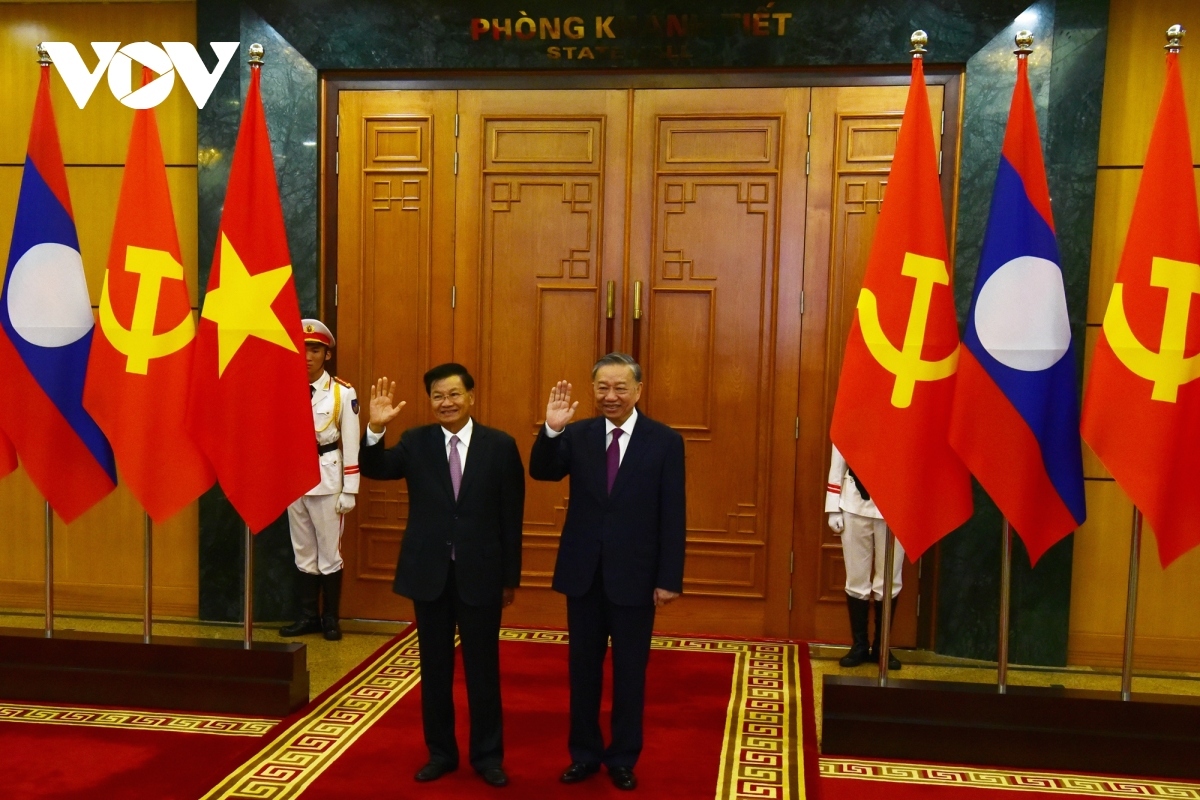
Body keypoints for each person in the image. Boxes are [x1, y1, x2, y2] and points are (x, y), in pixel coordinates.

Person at [359, 363, 525, 789]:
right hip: (429, 573)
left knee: (482, 669)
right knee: (433, 668)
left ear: (471, 396)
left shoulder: (500, 446)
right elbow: (376, 468)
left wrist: (510, 579)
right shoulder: (416, 442)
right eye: (437, 396)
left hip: (482, 574)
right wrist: (374, 429)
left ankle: (488, 756)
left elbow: (511, 517)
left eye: (454, 394)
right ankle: (441, 753)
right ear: (430, 401)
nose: (446, 403)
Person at [529, 352, 686, 792]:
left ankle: (621, 757)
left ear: (638, 390)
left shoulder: (664, 441)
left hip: (636, 576)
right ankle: (583, 754)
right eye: (602, 388)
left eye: (620, 388)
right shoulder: (577, 435)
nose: (610, 396)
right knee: (582, 670)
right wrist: (552, 429)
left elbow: (673, 514)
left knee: (631, 672)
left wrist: (668, 577)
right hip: (584, 573)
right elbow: (542, 472)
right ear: (593, 389)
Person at [281, 319, 359, 642]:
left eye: (315, 349)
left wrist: (351, 489)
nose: (308, 356)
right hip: (292, 478)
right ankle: (307, 616)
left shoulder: (342, 392)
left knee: (329, 552)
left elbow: (351, 442)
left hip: (327, 477)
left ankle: (331, 618)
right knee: (303, 551)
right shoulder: (283, 388)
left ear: (326, 354)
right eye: (303, 348)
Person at [826, 443, 903, 670]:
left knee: (889, 581)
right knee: (856, 579)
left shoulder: (904, 409)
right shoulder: (854, 411)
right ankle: (859, 645)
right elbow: (839, 453)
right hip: (853, 503)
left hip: (896, 505)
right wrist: (833, 506)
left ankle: (882, 646)